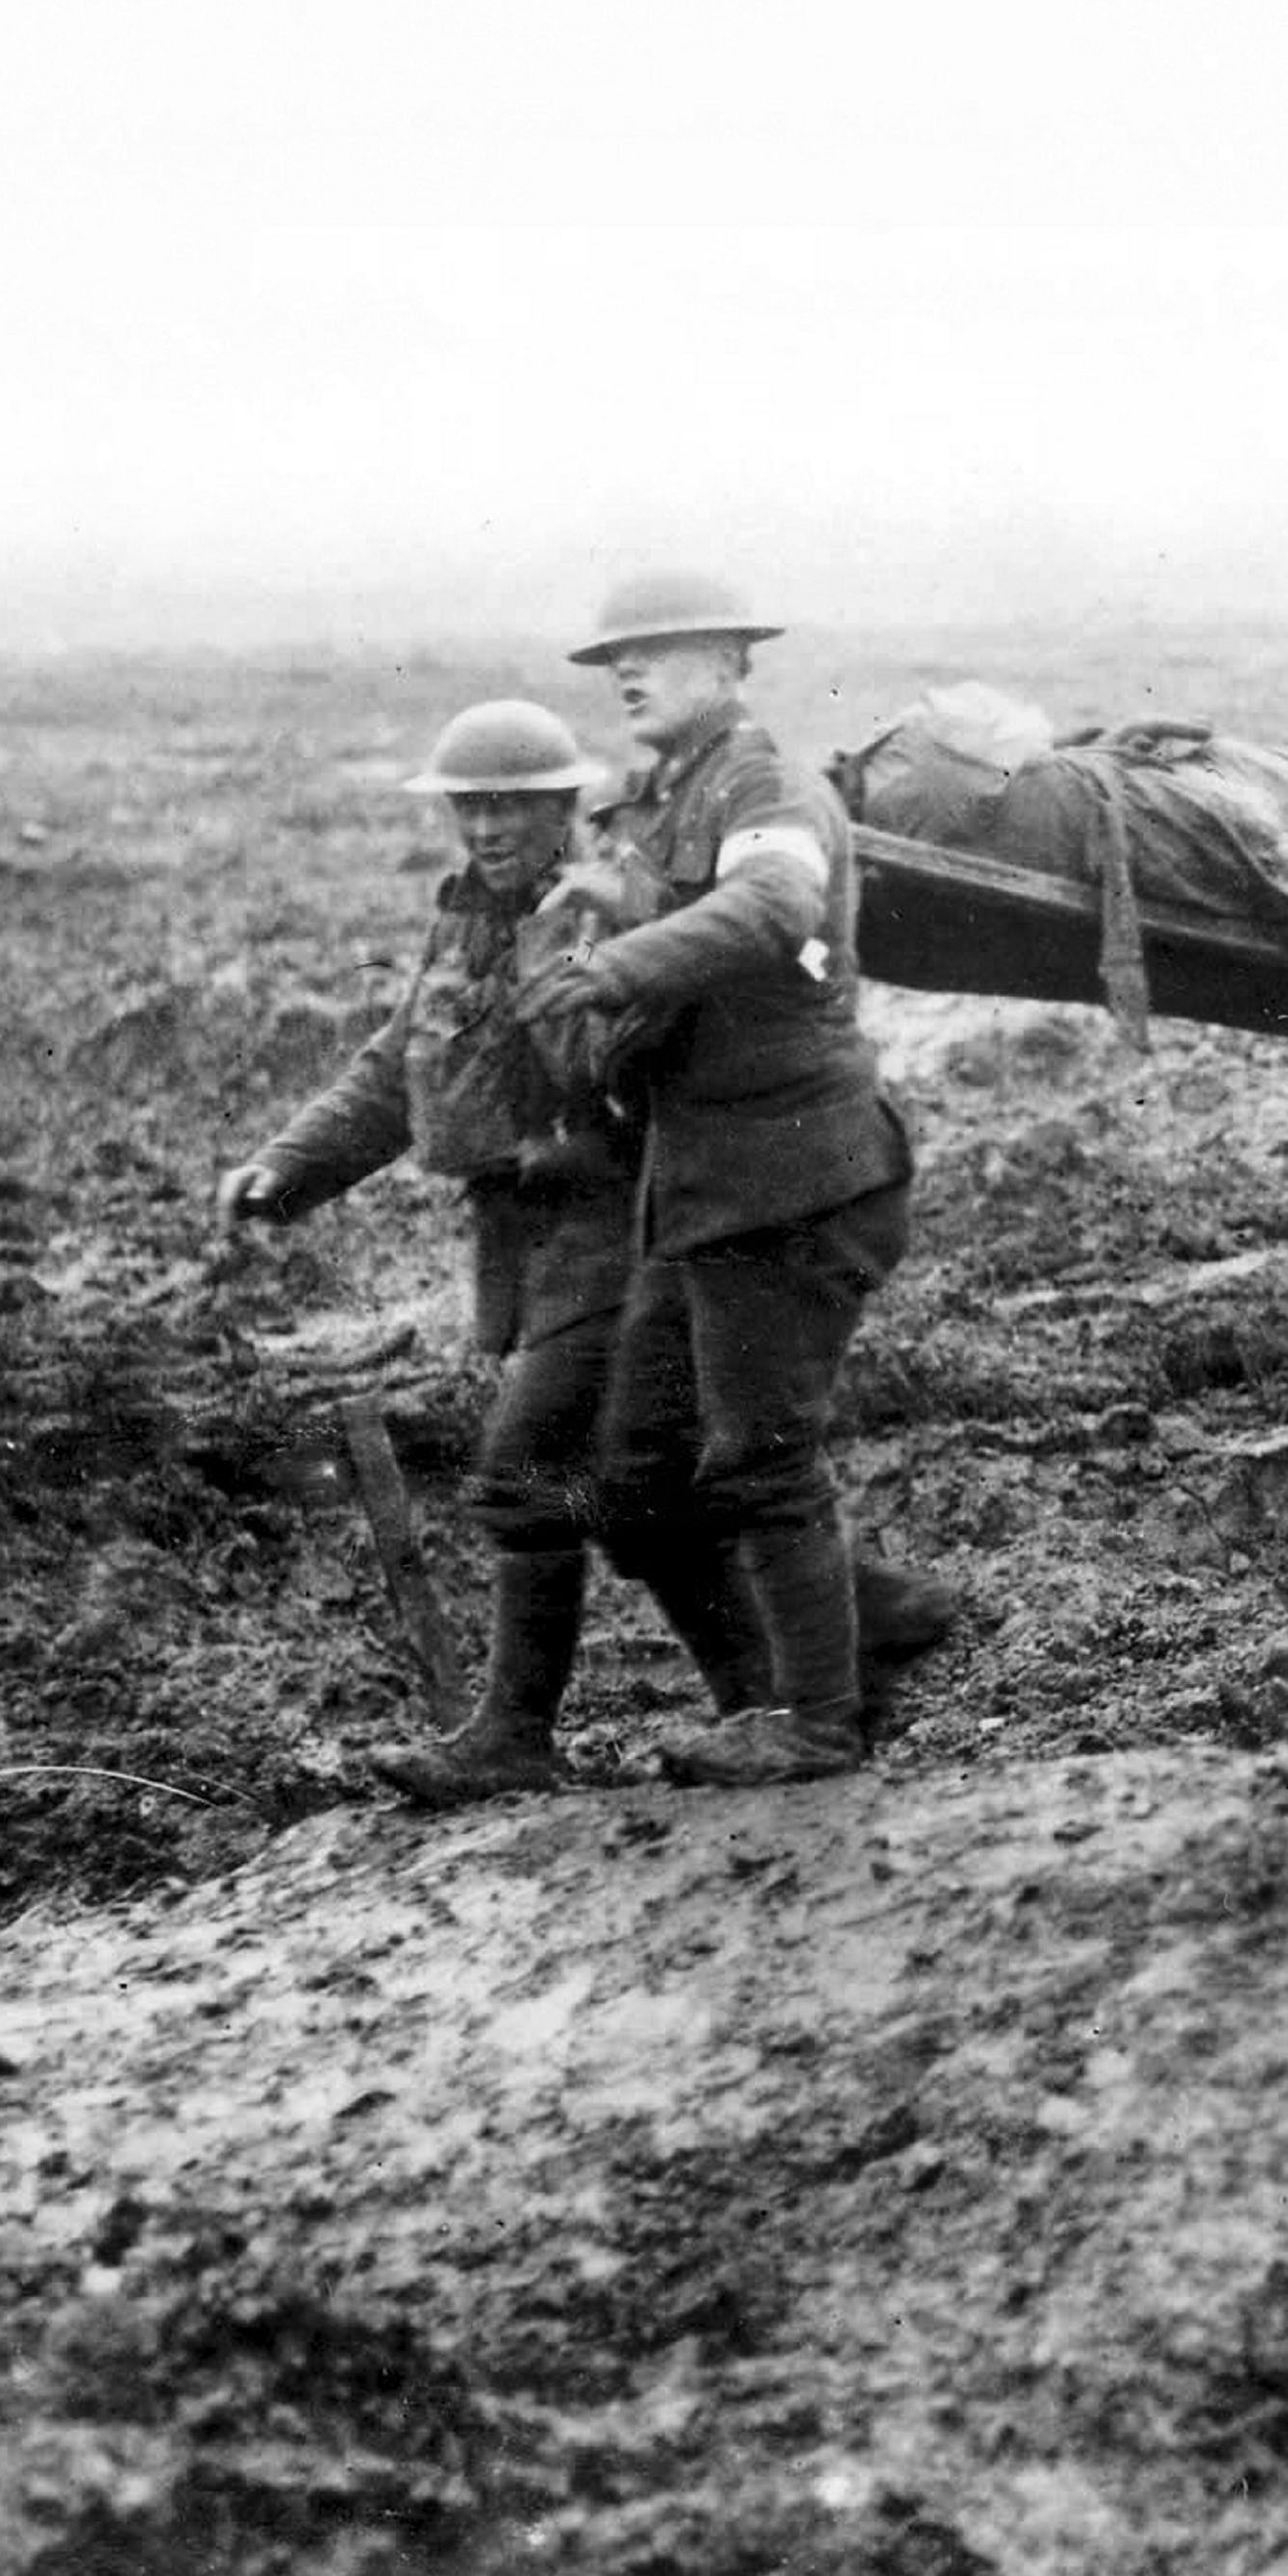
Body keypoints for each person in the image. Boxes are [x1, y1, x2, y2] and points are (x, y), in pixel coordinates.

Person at [508, 572, 919, 1789]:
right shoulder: (667, 800)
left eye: (658, 653)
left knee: (760, 1457)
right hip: (702, 1193)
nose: (628, 674)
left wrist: (619, 961)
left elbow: (780, 896)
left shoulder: (761, 784)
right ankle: (793, 1684)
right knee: (634, 1485)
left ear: (732, 666)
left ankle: (823, 1716)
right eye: (616, 660)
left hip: (794, 1178)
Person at [217, 700, 640, 1803]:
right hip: (525, 1240)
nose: (490, 826)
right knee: (636, 1498)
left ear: (565, 807)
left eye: (514, 804)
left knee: (526, 1466)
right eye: (472, 805)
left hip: (618, 1227)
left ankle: (515, 1737)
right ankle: (812, 1678)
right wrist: (290, 1168)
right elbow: (398, 1065)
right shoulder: (463, 917)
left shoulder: (604, 910)